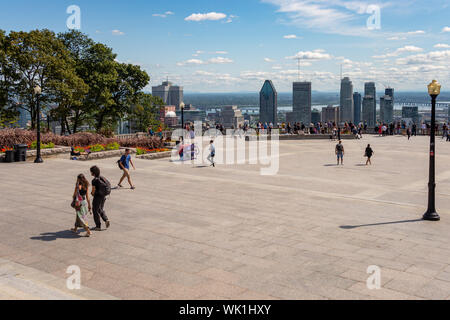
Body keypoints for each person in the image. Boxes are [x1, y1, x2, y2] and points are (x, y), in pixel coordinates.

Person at [90, 166, 111, 231]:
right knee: (100, 209)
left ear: (93, 172)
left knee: (95, 210)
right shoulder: (103, 177)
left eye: (91, 171)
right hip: (103, 196)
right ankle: (106, 219)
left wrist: (92, 193)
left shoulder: (94, 180)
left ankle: (98, 226)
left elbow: (93, 191)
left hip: (97, 197)